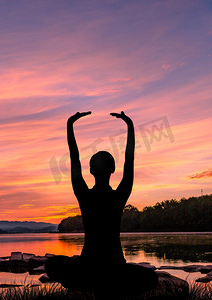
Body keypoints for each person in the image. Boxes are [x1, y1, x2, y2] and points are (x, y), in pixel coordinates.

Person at [45, 111, 158, 296]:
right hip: (115, 268)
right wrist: (129, 125)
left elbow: (74, 159)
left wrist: (70, 125)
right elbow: (130, 160)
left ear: (90, 170)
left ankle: (86, 283)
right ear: (113, 169)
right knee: (150, 278)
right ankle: (111, 285)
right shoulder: (119, 196)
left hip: (88, 267)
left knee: (51, 264)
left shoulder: (84, 195)